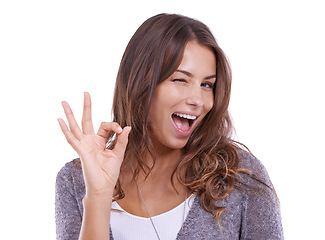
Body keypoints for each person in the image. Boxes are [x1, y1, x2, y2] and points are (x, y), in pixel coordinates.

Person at [55, 13, 284, 240]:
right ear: (140, 83)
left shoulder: (240, 177)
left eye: (207, 84)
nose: (198, 100)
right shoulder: (75, 180)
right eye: (180, 80)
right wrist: (98, 195)